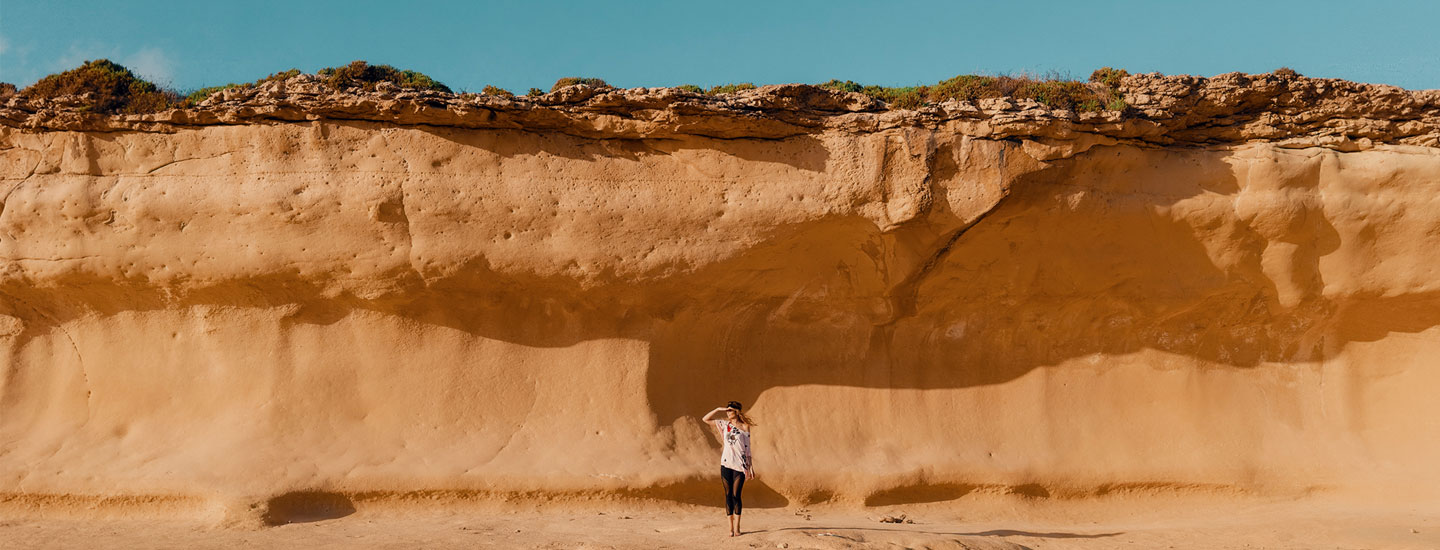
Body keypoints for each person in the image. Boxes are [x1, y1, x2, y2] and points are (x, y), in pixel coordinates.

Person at [702, 400, 757, 537]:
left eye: (730, 410)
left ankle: (738, 528)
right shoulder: (724, 424)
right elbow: (705, 419)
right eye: (727, 410)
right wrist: (718, 408)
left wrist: (750, 467)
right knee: (728, 496)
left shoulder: (745, 427)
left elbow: (747, 449)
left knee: (736, 496)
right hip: (726, 463)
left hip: (740, 465)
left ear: (737, 412)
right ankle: (730, 529)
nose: (728, 412)